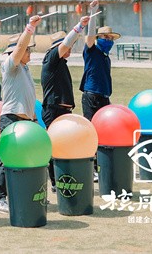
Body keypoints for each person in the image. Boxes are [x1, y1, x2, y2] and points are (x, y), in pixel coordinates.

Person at [0, 15, 41, 213]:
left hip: (26, 121)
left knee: (24, 158)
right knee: (6, 159)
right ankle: (0, 199)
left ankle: (19, 193)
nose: (29, 52)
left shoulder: (25, 68)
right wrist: (30, 28)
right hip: (10, 119)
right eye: (27, 49)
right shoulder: (9, 65)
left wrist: (34, 120)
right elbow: (20, 48)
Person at [41, 15, 90, 191]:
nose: (70, 48)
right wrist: (80, 26)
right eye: (67, 46)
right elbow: (66, 42)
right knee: (55, 146)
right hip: (53, 110)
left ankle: (65, 177)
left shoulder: (61, 62)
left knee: (66, 144)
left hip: (63, 111)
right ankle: (55, 181)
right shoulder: (52, 58)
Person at [80, 1, 120, 181]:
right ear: (99, 38)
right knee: (91, 132)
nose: (109, 40)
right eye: (105, 37)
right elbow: (89, 36)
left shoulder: (106, 57)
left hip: (104, 97)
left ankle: (101, 164)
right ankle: (90, 167)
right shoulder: (92, 50)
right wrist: (93, 12)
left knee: (104, 131)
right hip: (91, 96)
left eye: (111, 38)